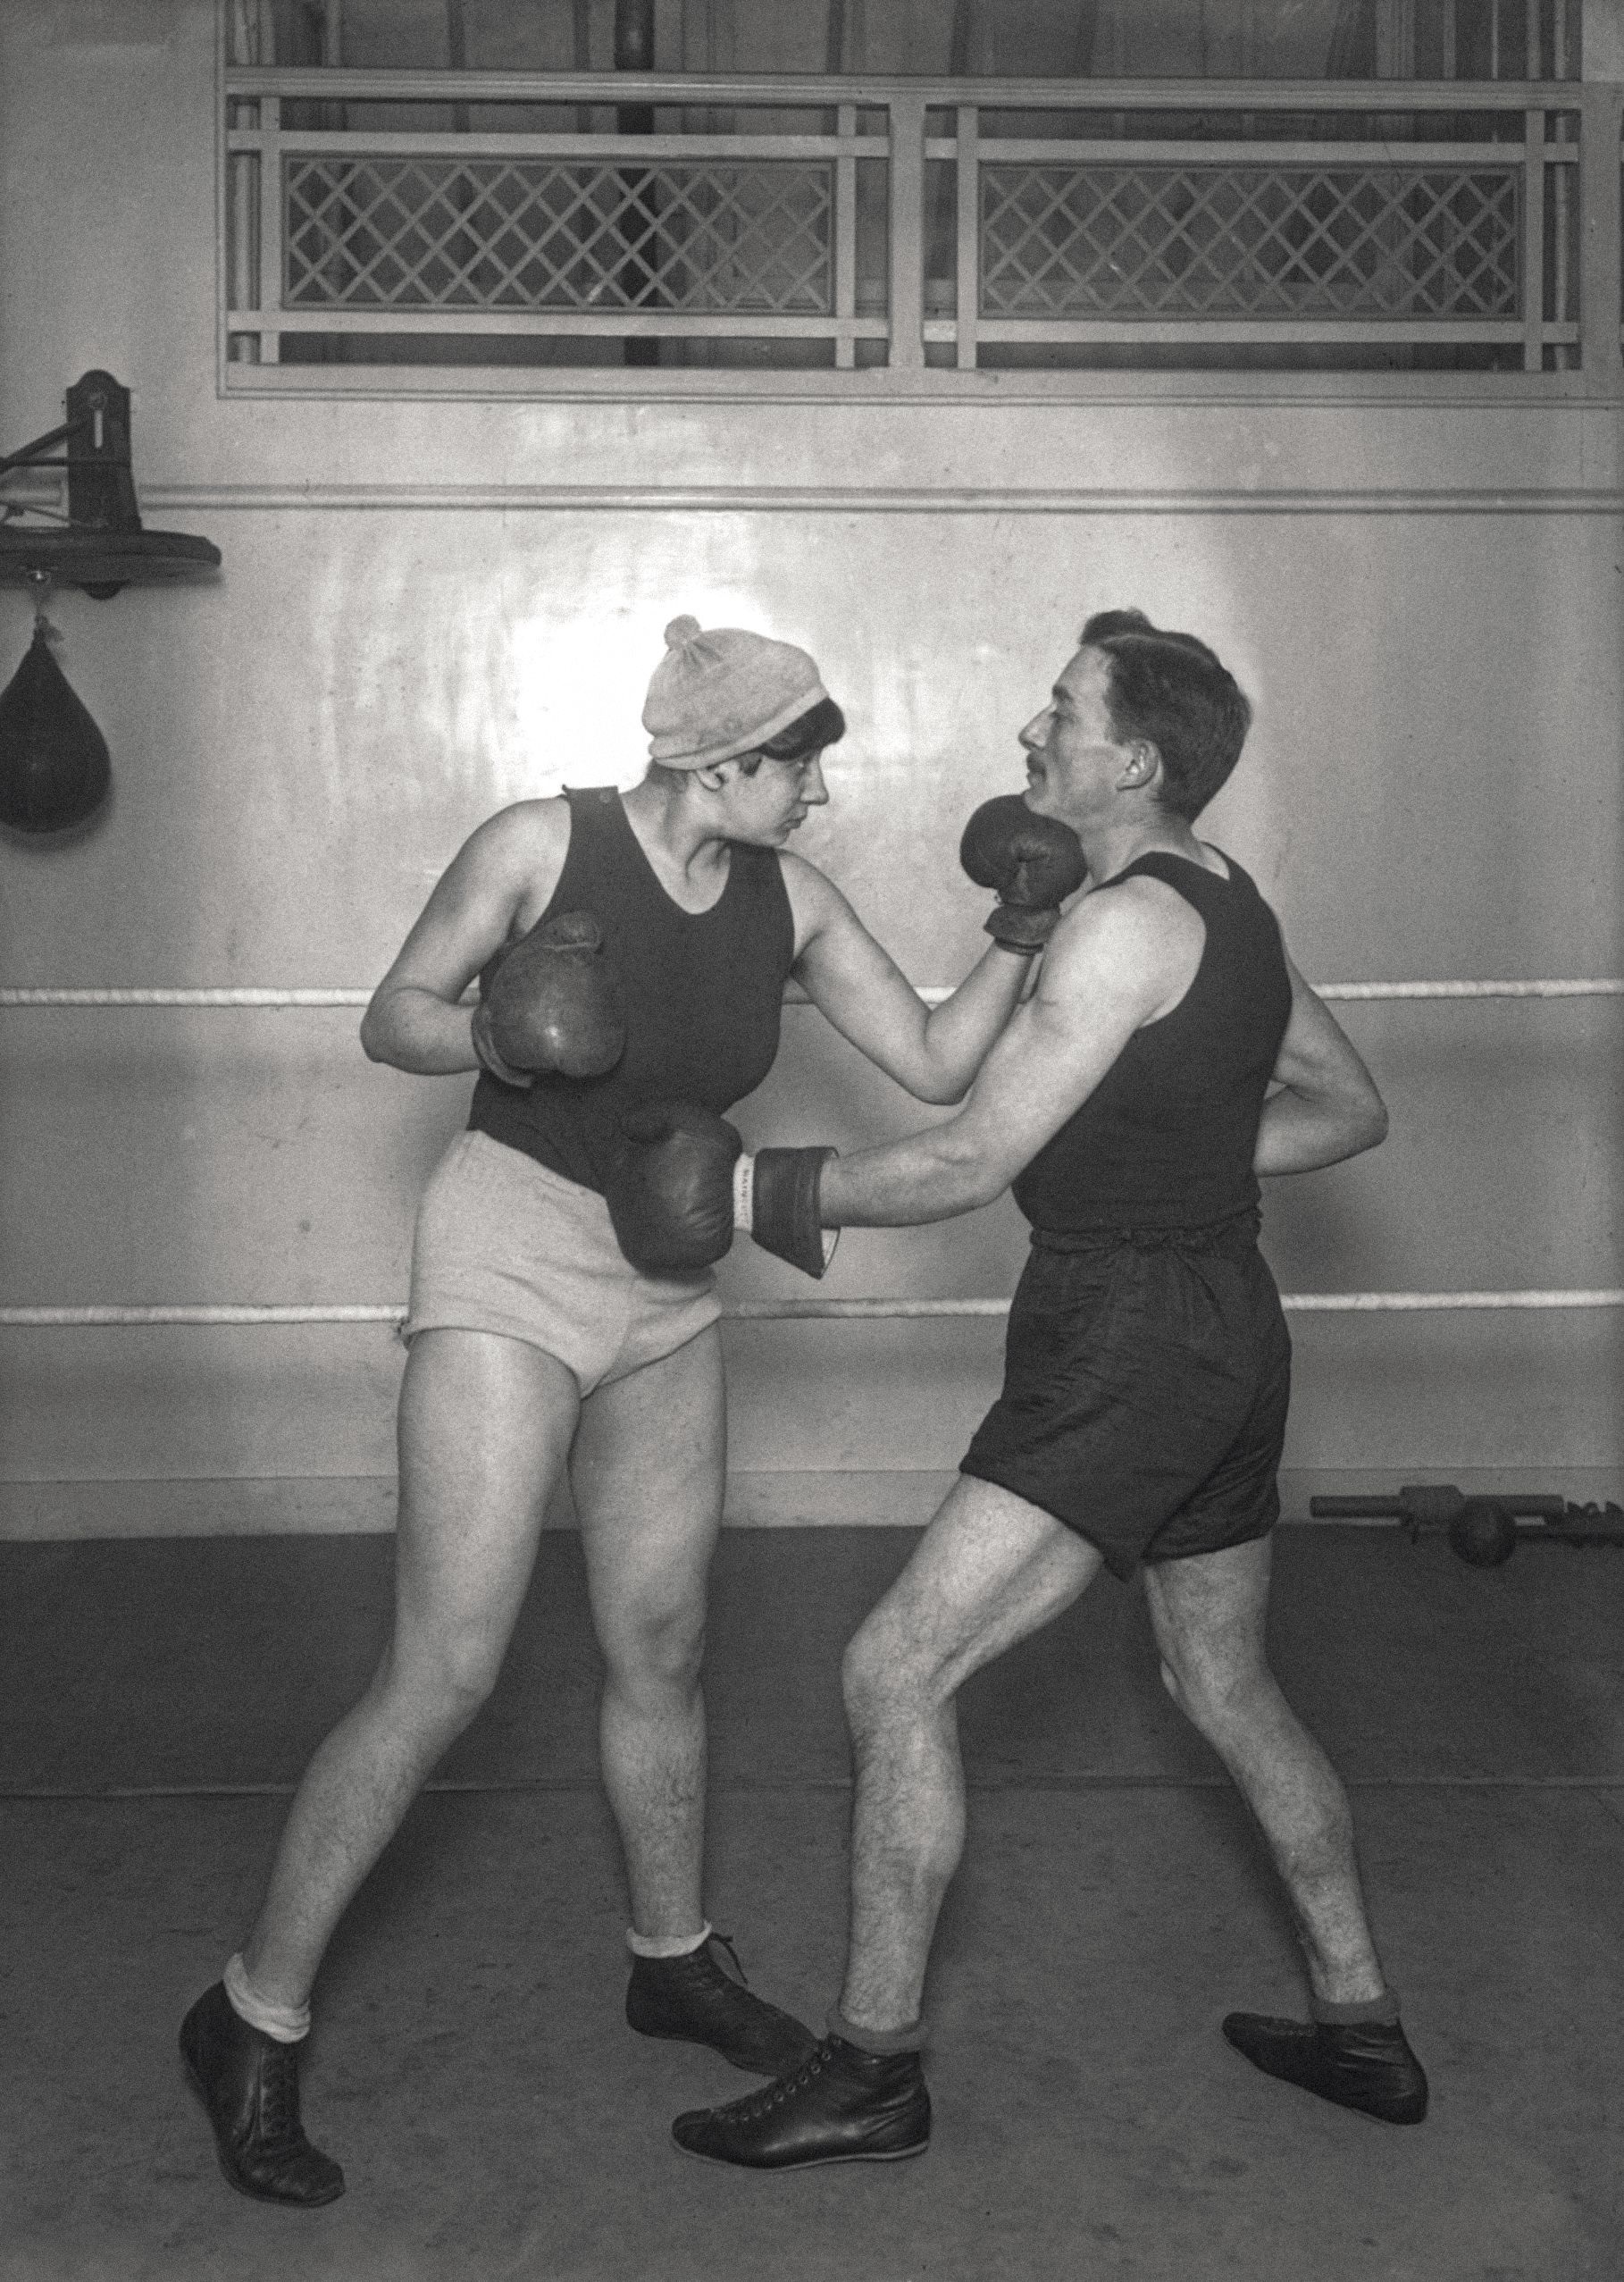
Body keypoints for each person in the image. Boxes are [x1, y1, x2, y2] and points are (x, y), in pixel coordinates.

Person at [177, 614, 1087, 2206]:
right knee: (447, 1662)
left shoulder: (792, 899)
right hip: (511, 1248)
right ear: (720, 762)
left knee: (661, 1640)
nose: (820, 794)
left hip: (669, 1267)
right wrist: (498, 1033)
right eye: (802, 765)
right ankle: (248, 2009)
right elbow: (391, 1013)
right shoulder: (540, 842)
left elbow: (939, 1068)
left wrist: (1017, 932)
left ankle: (669, 1956)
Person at [606, 608, 1428, 2171]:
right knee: (1224, 1686)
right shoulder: (1223, 897)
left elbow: (971, 1159)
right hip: (1227, 1320)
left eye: (1061, 711)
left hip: (1123, 1337)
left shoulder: (1121, 929)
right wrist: (1167, 1160)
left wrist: (766, 1185)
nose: (1029, 734)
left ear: (1130, 759)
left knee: (892, 1668)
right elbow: (1344, 1104)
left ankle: (871, 2065)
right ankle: (1361, 2021)